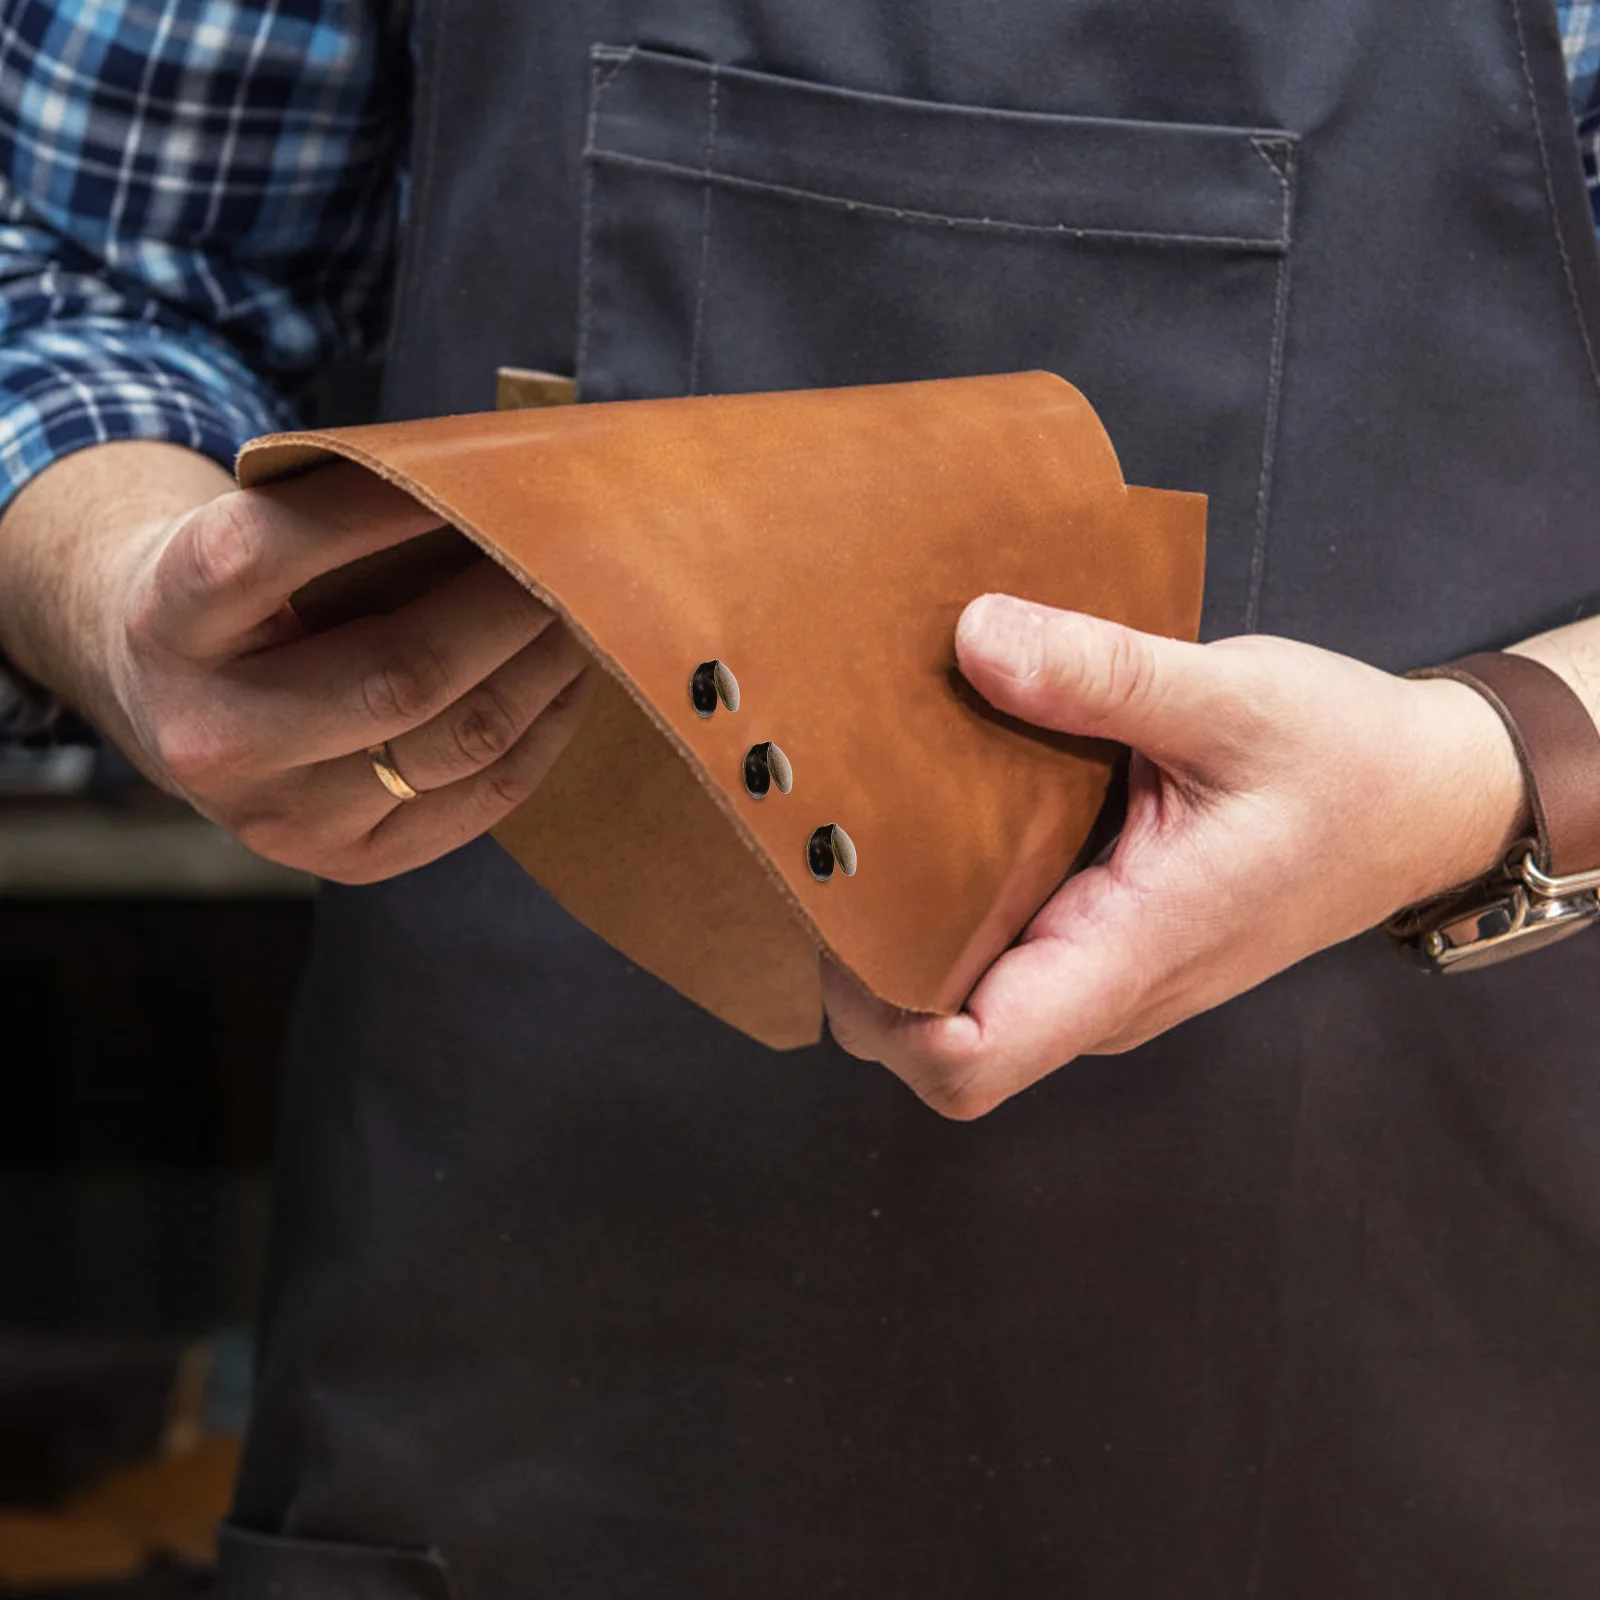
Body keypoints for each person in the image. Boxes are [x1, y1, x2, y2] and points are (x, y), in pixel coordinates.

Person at [3, 0, 1600, 1593]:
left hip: (1406, 1353)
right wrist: (131, 592)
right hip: (524, 1365)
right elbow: (72, 280)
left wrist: (1489, 764)